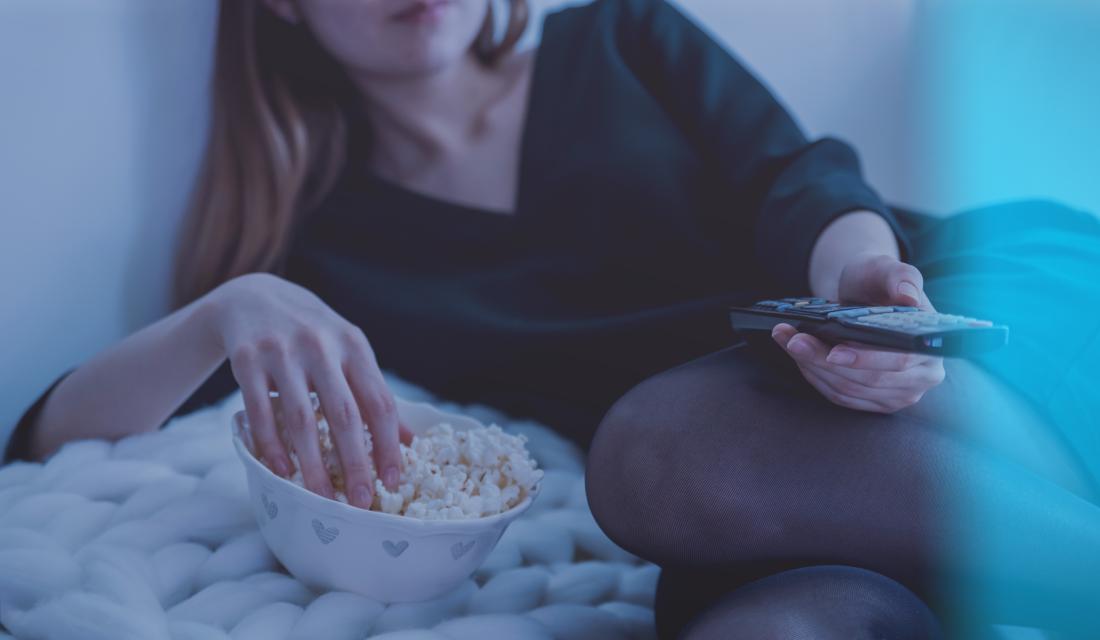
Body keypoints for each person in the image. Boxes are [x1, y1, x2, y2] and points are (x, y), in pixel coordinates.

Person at [5, 0, 1099, 637]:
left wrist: (869, 285)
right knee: (762, 615)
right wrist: (226, 309)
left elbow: (798, 178)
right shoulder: (326, 253)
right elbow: (47, 444)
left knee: (655, 450)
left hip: (953, 308)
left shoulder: (618, 37)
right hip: (741, 492)